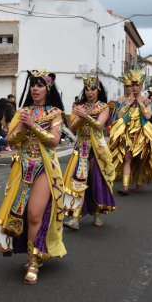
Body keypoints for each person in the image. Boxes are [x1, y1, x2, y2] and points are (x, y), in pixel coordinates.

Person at [0, 69, 66, 285]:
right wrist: (23, 127)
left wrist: (33, 125)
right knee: (19, 213)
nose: (35, 88)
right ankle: (30, 254)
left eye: (40, 84)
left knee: (35, 214)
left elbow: (54, 141)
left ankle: (34, 262)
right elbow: (11, 141)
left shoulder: (55, 113)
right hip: (22, 167)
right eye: (33, 84)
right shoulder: (22, 111)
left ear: (48, 88)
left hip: (44, 167)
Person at [63, 75, 115, 230]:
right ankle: (75, 218)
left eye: (92, 89)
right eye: (87, 89)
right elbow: (72, 128)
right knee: (79, 181)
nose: (89, 92)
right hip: (82, 148)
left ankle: (96, 214)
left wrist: (85, 116)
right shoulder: (78, 106)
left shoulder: (103, 107)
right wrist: (80, 116)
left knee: (95, 181)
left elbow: (99, 126)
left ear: (98, 90)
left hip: (97, 150)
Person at [109, 68, 152, 195]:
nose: (133, 88)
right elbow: (118, 116)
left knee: (140, 160)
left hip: (142, 135)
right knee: (127, 157)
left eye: (136, 85)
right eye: (132, 85)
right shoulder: (124, 101)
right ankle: (125, 187)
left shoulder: (147, 101)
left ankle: (139, 184)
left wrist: (140, 104)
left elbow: (148, 117)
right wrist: (128, 104)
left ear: (141, 86)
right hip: (128, 134)